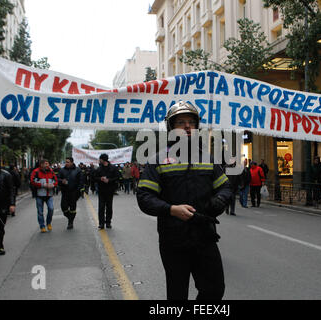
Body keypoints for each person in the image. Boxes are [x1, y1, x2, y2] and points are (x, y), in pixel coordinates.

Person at [137, 101, 232, 300]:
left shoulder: (208, 158)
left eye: (191, 122)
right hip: (174, 239)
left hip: (205, 236)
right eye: (181, 122)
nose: (188, 126)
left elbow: (225, 186)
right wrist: (171, 209)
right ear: (171, 128)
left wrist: (220, 200)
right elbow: (145, 197)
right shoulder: (158, 160)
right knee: (177, 295)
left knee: (214, 290)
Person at [93, 154, 121, 229]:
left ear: (104, 160)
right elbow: (94, 178)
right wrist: (100, 179)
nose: (99, 161)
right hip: (101, 190)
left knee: (109, 207)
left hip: (110, 190)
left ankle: (108, 222)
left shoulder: (113, 168)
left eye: (100, 159)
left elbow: (117, 177)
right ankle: (101, 223)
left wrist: (109, 180)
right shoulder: (99, 169)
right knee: (101, 207)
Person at [31, 159, 58, 233]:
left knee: (51, 209)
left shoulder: (51, 171)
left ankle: (48, 222)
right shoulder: (36, 172)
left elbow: (56, 181)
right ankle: (42, 226)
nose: (47, 165)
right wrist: (43, 185)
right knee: (40, 211)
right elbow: (32, 181)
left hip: (49, 194)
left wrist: (52, 185)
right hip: (39, 195)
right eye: (46, 164)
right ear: (41, 164)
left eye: (48, 163)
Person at [58, 157, 84, 230]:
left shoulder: (78, 170)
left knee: (73, 208)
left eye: (68, 162)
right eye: (66, 162)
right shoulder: (62, 170)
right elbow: (57, 178)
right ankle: (69, 217)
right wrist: (61, 181)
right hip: (65, 192)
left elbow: (81, 181)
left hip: (74, 193)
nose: (66, 163)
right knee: (64, 208)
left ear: (72, 162)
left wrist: (78, 191)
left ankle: (70, 222)